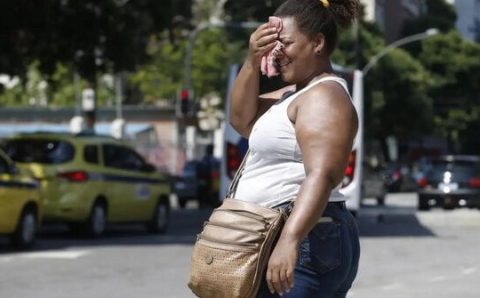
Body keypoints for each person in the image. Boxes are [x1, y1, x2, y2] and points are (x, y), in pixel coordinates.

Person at [229, 0, 361, 297]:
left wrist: (289, 239)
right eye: (272, 44)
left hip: (306, 237)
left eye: (285, 43)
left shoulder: (325, 96)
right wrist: (252, 60)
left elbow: (323, 175)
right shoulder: (293, 94)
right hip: (286, 233)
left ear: (317, 42)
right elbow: (241, 119)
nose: (277, 53)